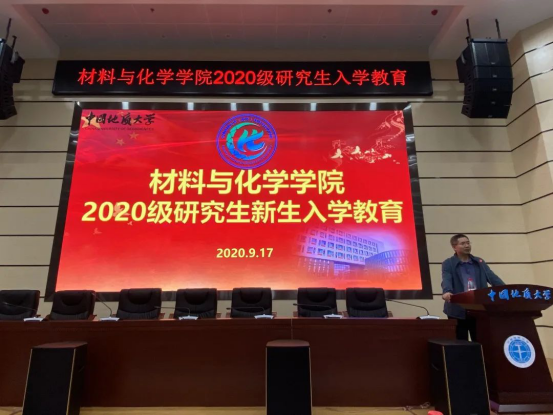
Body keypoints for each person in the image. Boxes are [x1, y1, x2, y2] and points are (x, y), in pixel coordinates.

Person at [442, 234, 505, 341]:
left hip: (478, 309)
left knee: (481, 340)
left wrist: (505, 289)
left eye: (468, 243)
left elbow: (492, 278)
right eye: (463, 243)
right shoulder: (449, 263)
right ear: (454, 247)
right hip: (458, 309)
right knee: (461, 343)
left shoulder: (479, 262)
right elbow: (446, 279)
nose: (467, 245)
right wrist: (447, 292)